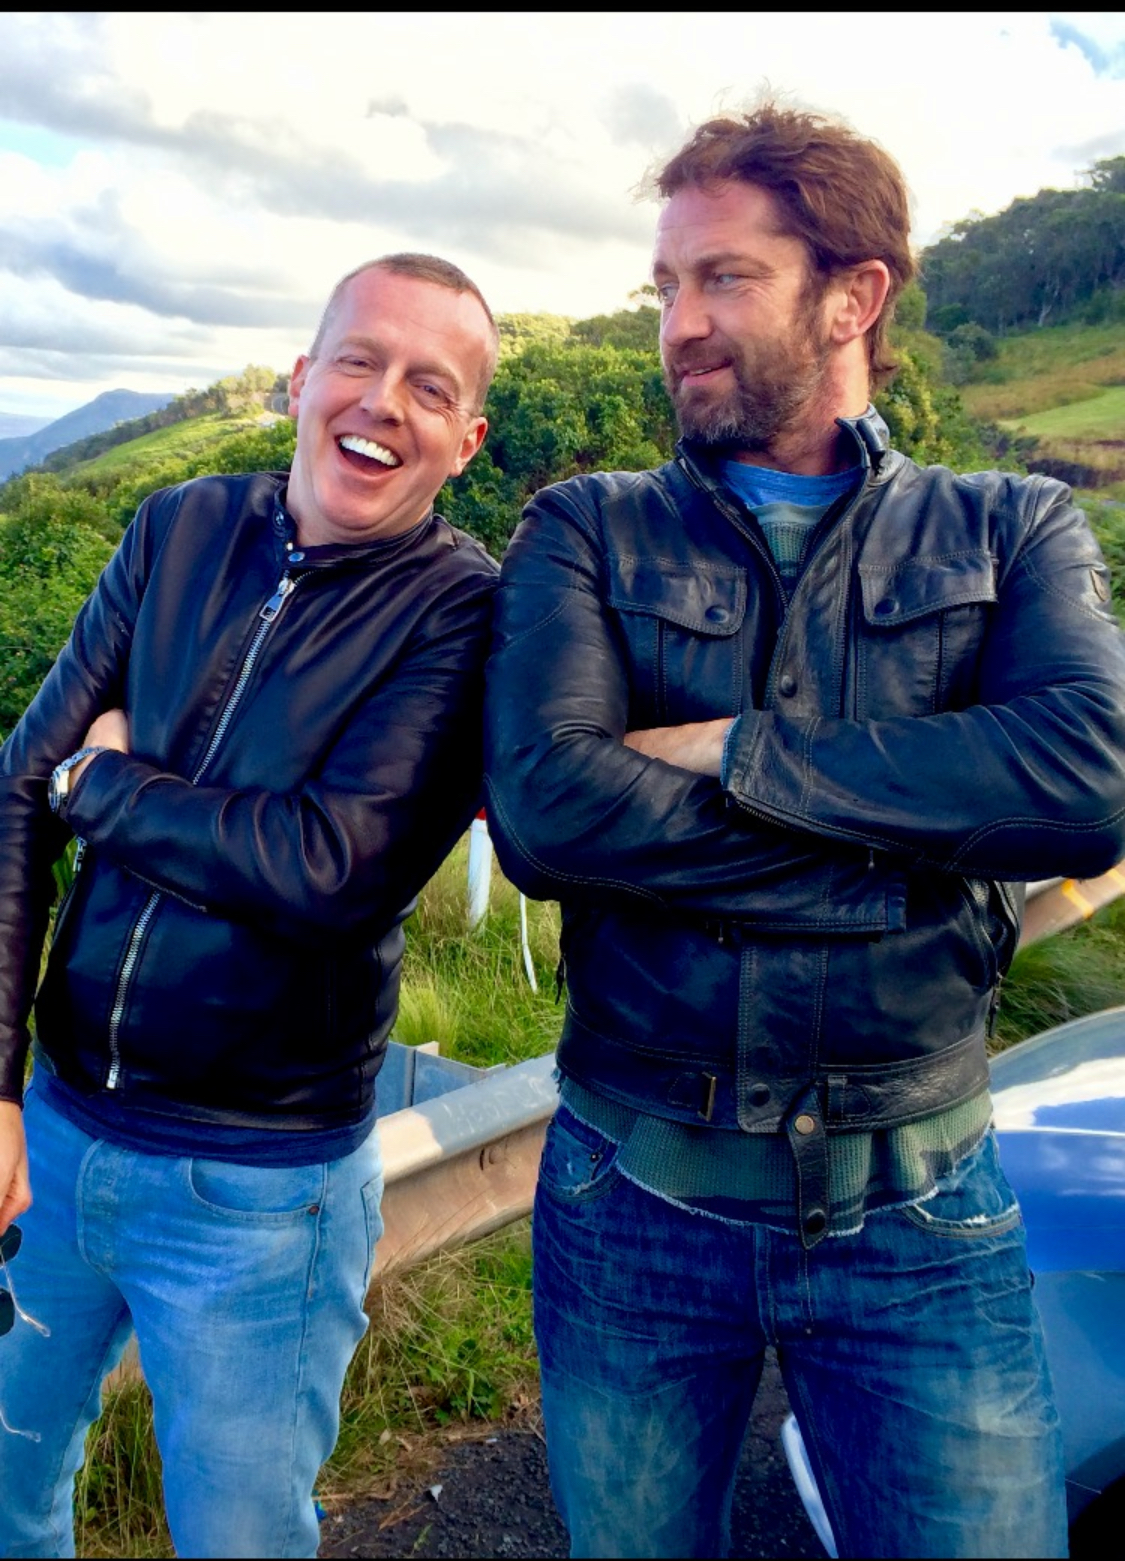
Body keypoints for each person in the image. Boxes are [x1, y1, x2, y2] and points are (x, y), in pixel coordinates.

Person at [485, 105, 1125, 1560]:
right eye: (665, 284)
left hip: (922, 1207)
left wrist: (733, 751)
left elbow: (1085, 785)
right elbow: (546, 814)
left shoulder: (1011, 525)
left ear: (853, 296)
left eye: (724, 278)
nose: (678, 325)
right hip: (631, 1195)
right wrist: (918, 850)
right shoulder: (585, 528)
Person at [0, 252, 500, 1559]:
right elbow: (14, 791)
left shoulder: (464, 613)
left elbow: (328, 873)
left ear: (465, 439)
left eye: (428, 385)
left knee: (240, 1540)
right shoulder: (177, 527)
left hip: (261, 1191)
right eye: (359, 360)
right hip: (50, 1133)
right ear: (299, 379)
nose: (381, 401)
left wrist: (102, 785)